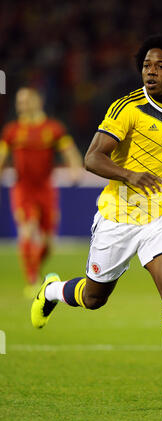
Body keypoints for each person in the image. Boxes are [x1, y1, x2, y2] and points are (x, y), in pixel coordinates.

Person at [31, 35, 162, 409]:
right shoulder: (127, 108)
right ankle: (51, 291)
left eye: (160, 66)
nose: (151, 72)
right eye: (147, 65)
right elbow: (92, 158)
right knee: (93, 297)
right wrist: (129, 175)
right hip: (118, 217)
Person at [0, 87, 83, 297]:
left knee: (48, 243)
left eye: (26, 100)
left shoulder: (53, 129)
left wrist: (75, 169)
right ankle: (32, 279)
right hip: (23, 189)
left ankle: (35, 269)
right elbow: (2, 156)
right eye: (19, 101)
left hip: (45, 189)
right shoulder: (12, 131)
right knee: (27, 230)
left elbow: (70, 151)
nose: (21, 105)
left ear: (38, 101)